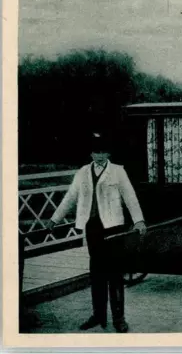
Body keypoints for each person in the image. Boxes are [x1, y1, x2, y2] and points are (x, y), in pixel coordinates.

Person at [44, 132, 147, 333]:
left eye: (103, 152)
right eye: (96, 152)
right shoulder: (82, 172)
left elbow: (130, 196)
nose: (99, 156)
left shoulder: (118, 172)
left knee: (115, 272)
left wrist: (139, 220)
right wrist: (54, 219)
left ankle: (119, 318)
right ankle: (98, 315)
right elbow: (70, 197)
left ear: (108, 153)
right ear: (90, 153)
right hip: (92, 229)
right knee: (97, 273)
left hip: (113, 227)